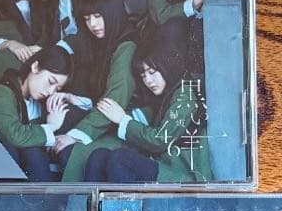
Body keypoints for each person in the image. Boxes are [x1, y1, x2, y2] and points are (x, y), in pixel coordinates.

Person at [82, 20, 211, 183]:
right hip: (162, 162)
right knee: (98, 156)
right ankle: (91, 201)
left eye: (152, 72)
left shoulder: (185, 94)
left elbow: (161, 140)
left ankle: (123, 201)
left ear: (166, 66)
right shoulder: (165, 93)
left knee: (121, 159)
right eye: (143, 75)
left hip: (181, 172)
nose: (148, 80)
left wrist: (123, 120)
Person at [52, 0, 137, 181]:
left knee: (70, 154)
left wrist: (74, 136)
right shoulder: (103, 41)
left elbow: (113, 102)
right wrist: (74, 98)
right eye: (87, 18)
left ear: (112, 13)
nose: (93, 24)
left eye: (98, 16)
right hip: (105, 117)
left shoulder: (126, 46)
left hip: (126, 122)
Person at [0, 45, 74, 181]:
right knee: (31, 152)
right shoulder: (0, 93)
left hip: (26, 174)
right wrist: (51, 126)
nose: (51, 91)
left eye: (57, 88)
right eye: (50, 81)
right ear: (35, 67)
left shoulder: (40, 103)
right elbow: (15, 135)